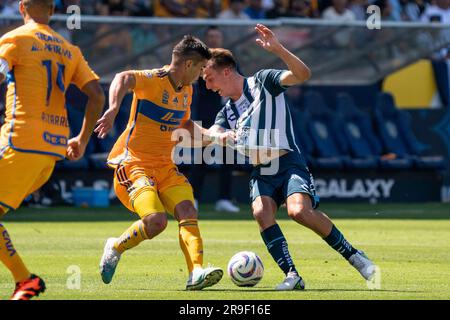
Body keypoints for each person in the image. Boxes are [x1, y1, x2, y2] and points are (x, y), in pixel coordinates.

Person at [202, 24, 377, 290]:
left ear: (226, 71)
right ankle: (292, 275)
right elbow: (214, 129)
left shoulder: (263, 81)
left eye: (209, 77)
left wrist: (279, 50)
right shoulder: (227, 109)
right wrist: (219, 136)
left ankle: (354, 255)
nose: (206, 84)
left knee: (299, 212)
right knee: (261, 212)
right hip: (262, 170)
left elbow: (302, 74)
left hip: (288, 162)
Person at [96, 35, 223, 290]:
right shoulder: (153, 79)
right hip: (133, 164)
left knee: (188, 211)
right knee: (156, 222)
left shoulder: (187, 90)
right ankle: (116, 246)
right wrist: (112, 109)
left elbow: (184, 127)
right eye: (200, 69)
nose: (201, 75)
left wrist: (214, 138)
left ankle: (195, 273)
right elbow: (123, 78)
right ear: (188, 65)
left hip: (165, 167)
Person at [0, 0, 104, 300]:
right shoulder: (69, 49)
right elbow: (96, 95)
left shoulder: (15, 39)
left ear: (22, 8)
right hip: (52, 150)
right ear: (54, 11)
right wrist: (82, 140)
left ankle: (25, 280)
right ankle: (23, 280)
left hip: (19, 141)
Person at [190, 26, 240, 213]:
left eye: (217, 36)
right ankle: (193, 198)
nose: (214, 39)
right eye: (211, 36)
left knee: (228, 158)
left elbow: (237, 80)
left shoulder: (228, 60)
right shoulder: (200, 62)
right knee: (200, 158)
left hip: (228, 116)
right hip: (206, 116)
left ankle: (224, 199)